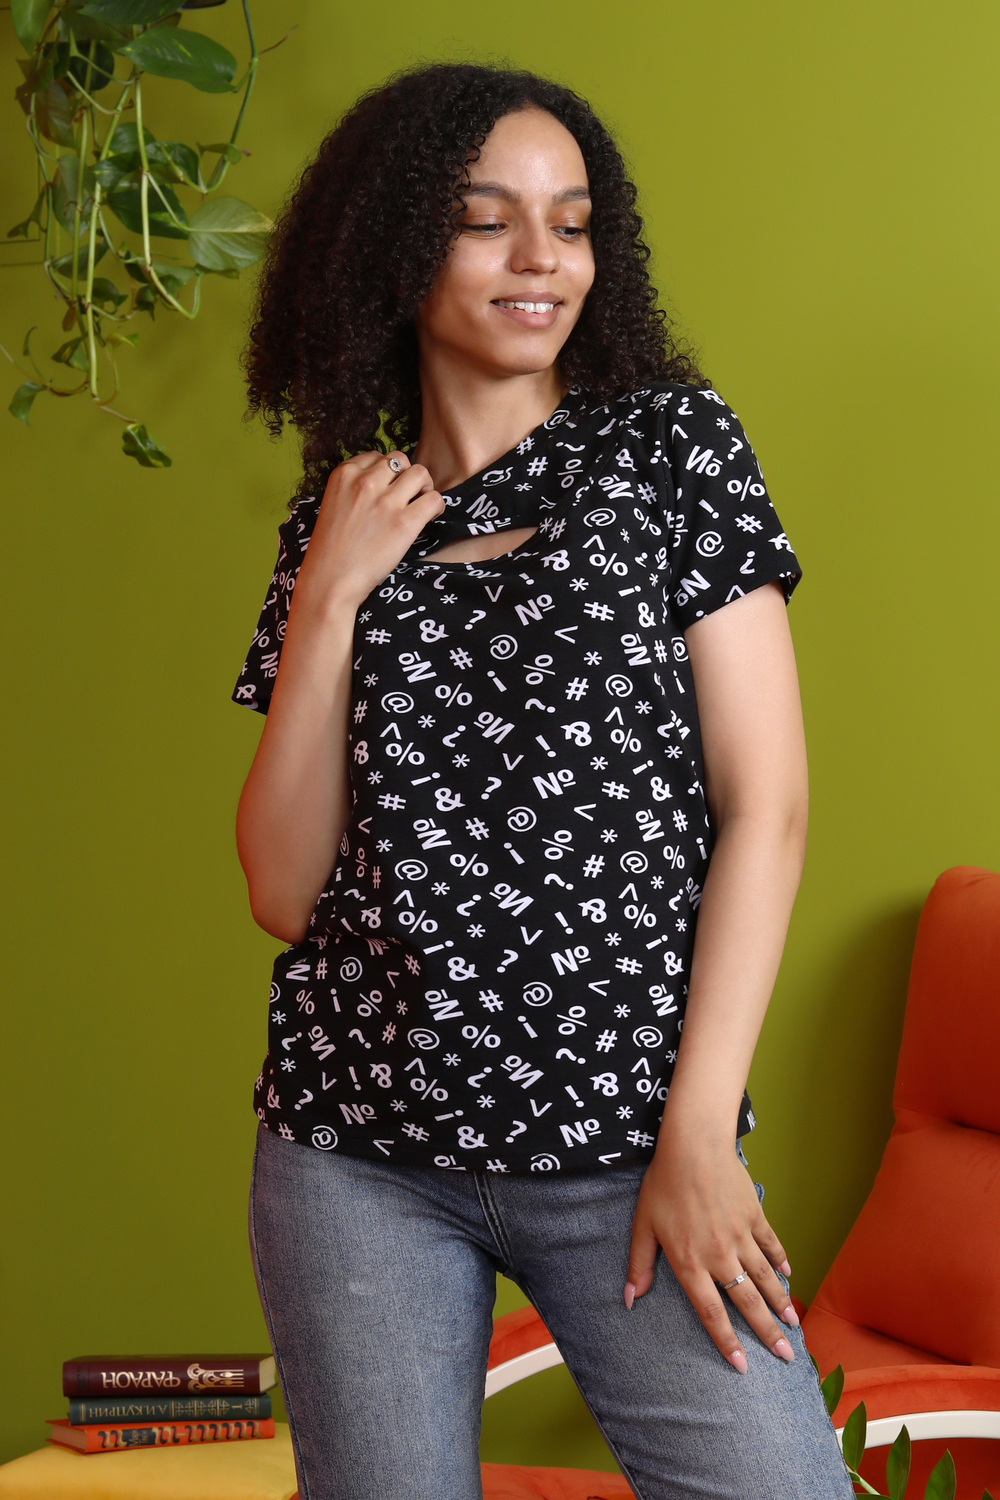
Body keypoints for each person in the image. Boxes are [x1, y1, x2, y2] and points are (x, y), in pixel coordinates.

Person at [233, 61, 852, 1500]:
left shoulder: (672, 450)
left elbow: (767, 809)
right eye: (486, 220)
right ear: (398, 245)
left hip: (634, 1145)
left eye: (571, 224)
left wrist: (698, 1132)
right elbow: (282, 889)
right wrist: (328, 600)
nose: (540, 259)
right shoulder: (344, 512)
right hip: (359, 1157)